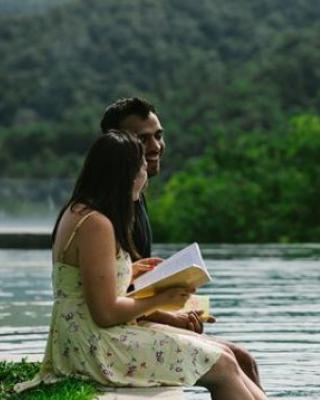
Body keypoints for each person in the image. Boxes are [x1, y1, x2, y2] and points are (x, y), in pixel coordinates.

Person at [15, 131, 267, 400]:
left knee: (228, 356)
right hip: (93, 346)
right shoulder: (96, 223)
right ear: (126, 175)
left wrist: (129, 271)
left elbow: (82, 280)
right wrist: (161, 298)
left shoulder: (81, 211)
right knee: (223, 364)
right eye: (143, 169)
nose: (146, 179)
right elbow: (106, 313)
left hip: (90, 336)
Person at [100, 97, 263, 390]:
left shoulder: (135, 198)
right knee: (234, 359)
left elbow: (124, 284)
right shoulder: (106, 211)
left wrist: (175, 305)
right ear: (118, 145)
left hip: (134, 319)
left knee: (245, 360)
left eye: (158, 136)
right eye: (142, 139)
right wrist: (172, 316)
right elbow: (104, 302)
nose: (156, 147)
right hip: (118, 333)